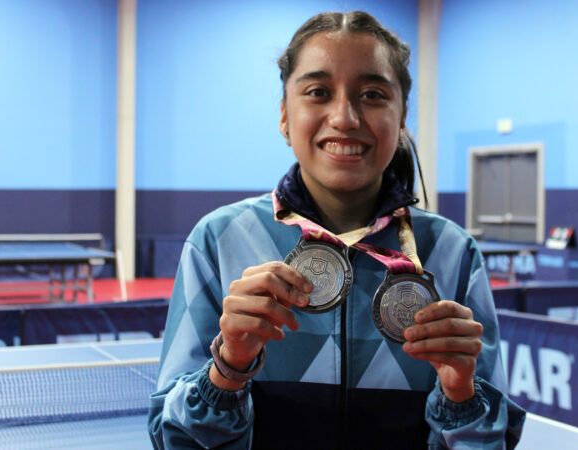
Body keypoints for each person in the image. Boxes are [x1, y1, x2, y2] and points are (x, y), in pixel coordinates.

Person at [148, 10, 524, 449]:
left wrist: (460, 394)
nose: (344, 117)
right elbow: (175, 441)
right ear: (285, 116)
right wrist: (229, 366)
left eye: (372, 94)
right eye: (318, 92)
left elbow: (490, 444)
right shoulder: (219, 241)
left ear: (402, 119)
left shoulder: (452, 253)